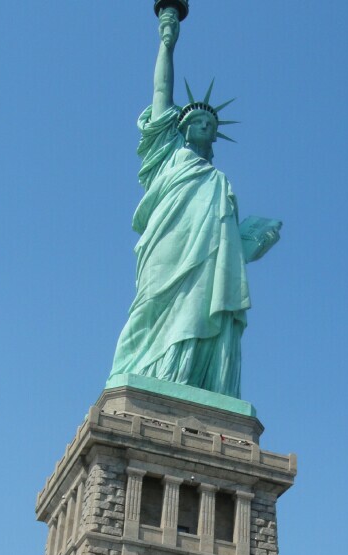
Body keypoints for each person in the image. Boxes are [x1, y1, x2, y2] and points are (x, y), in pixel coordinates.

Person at [107, 6, 281, 398]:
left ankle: (195, 382)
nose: (205, 126)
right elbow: (160, 94)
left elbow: (228, 244)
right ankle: (137, 376)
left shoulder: (219, 181)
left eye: (211, 125)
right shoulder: (166, 156)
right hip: (167, 249)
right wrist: (166, 42)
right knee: (149, 307)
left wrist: (252, 240)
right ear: (182, 129)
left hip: (208, 261)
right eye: (198, 122)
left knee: (203, 310)